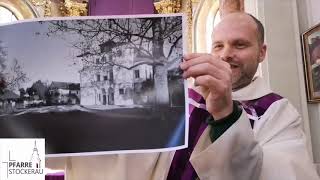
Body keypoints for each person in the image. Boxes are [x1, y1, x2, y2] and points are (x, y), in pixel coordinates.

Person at [46, 12, 320, 180]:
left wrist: (226, 116)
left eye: (240, 44)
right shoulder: (180, 97)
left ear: (262, 52)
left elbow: (276, 175)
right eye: (218, 45)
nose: (226, 54)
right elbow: (120, 156)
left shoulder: (278, 113)